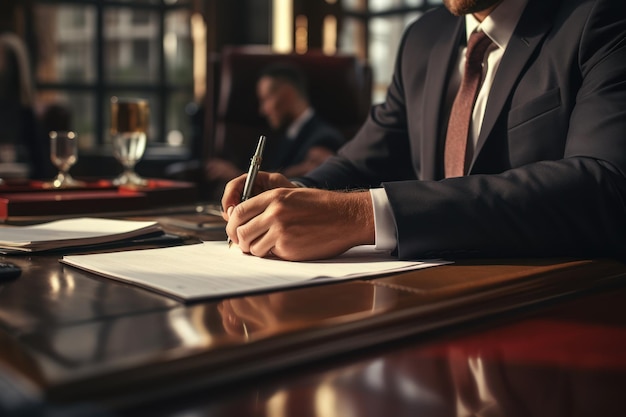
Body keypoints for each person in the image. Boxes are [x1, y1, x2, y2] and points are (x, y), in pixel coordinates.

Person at [222, 0, 626, 262]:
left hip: (552, 306)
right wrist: (291, 194)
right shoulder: (423, 38)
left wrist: (364, 216)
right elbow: (367, 156)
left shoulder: (600, 16)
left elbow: (605, 186)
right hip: (425, 299)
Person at [206, 63, 345, 181]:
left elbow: (310, 181)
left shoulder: (325, 139)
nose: (262, 110)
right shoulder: (282, 136)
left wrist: (240, 177)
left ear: (287, 94)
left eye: (265, 99)